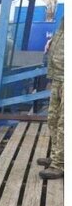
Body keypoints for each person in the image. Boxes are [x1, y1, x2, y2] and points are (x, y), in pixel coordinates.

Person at [38, 20, 64, 179]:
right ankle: (56, 156)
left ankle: (60, 164)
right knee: (53, 119)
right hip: (58, 75)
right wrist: (52, 41)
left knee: (64, 123)